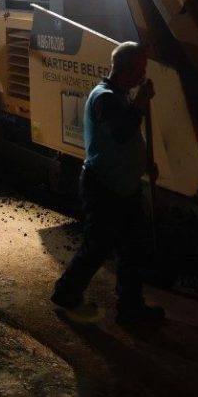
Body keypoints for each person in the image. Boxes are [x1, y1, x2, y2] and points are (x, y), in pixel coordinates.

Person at [51, 41, 165, 325]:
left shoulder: (120, 96)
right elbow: (121, 132)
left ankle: (130, 308)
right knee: (97, 248)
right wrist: (141, 101)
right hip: (104, 188)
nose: (144, 73)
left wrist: (144, 163)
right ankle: (66, 295)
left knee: (131, 249)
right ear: (128, 69)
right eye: (141, 68)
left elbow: (128, 138)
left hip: (123, 187)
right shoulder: (104, 97)